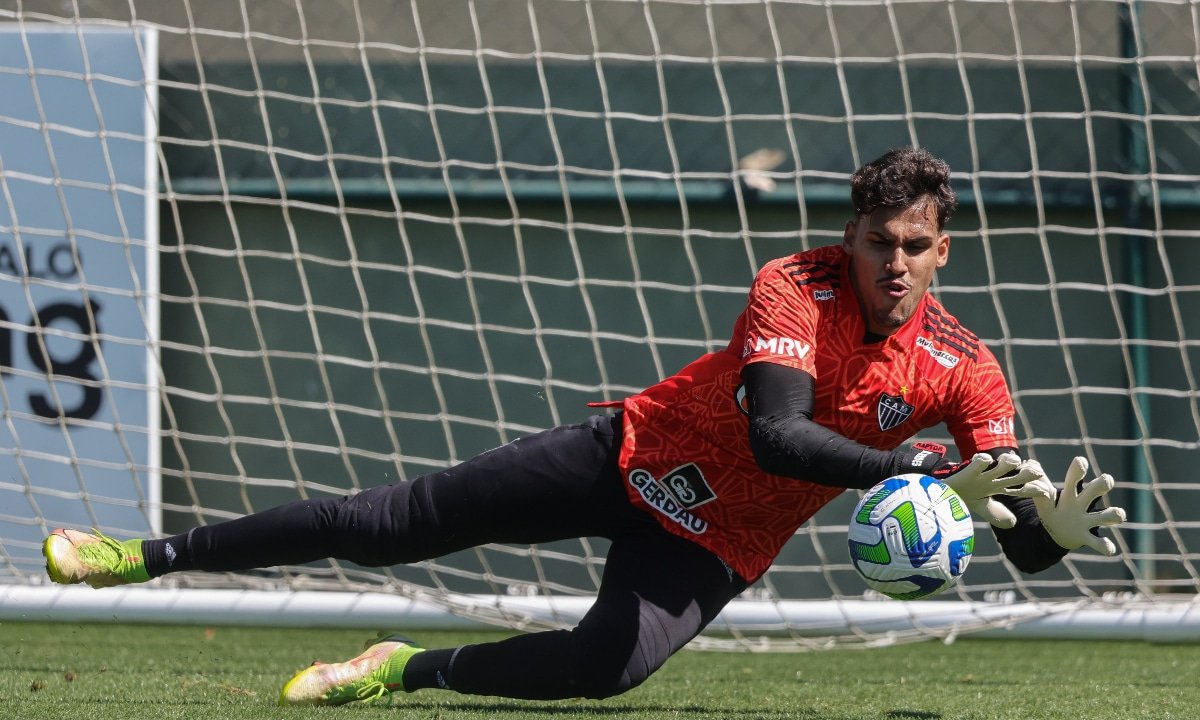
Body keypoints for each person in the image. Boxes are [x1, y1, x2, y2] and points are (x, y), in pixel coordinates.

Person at [43, 146, 1126, 707]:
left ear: (945, 253)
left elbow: (1011, 529)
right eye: (877, 239)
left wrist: (1045, 536)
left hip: (716, 540)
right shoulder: (793, 286)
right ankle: (135, 555)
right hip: (629, 453)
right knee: (382, 523)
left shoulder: (963, 367)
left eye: (914, 246)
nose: (892, 262)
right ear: (848, 235)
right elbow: (776, 437)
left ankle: (407, 669)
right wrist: (921, 465)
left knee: (608, 669)